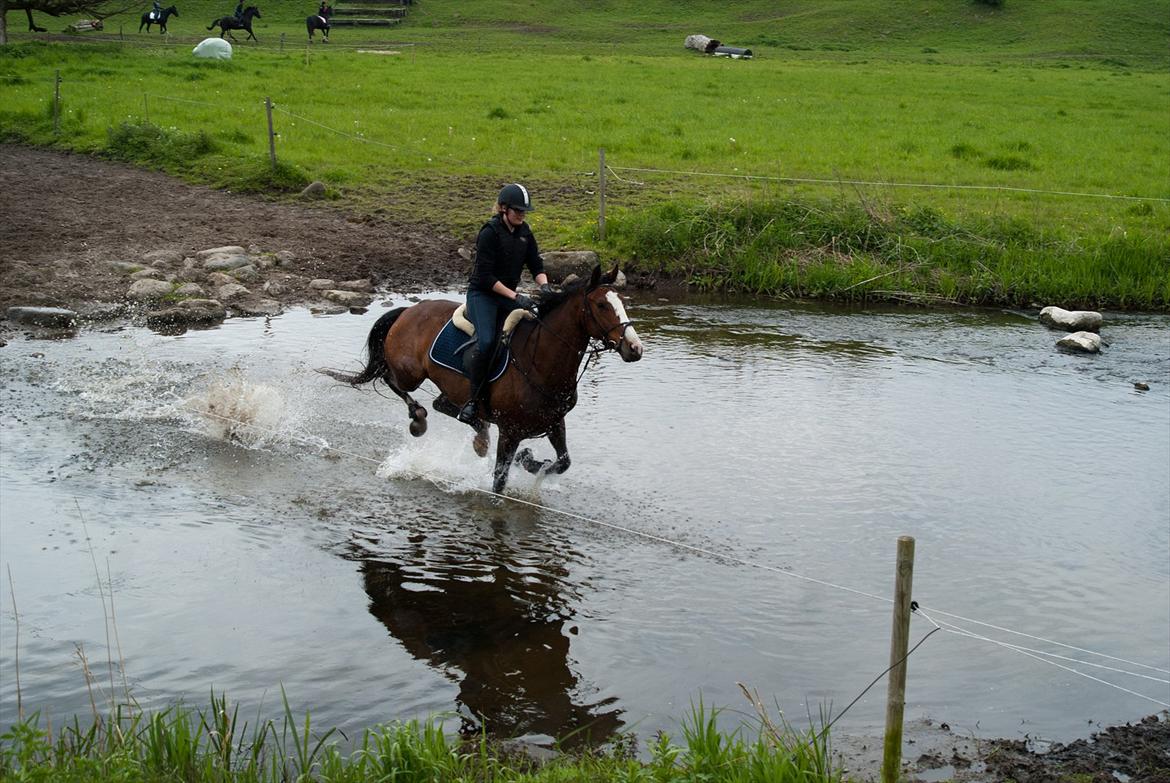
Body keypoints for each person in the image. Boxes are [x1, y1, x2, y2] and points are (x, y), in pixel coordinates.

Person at [458, 183, 550, 424]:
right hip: (483, 295)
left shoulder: (524, 232)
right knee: (488, 342)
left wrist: (545, 286)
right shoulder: (489, 232)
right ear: (503, 208)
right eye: (518, 210)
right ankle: (473, 402)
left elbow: (536, 265)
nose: (522, 214)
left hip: (507, 294)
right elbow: (485, 277)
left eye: (524, 211)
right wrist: (515, 297)